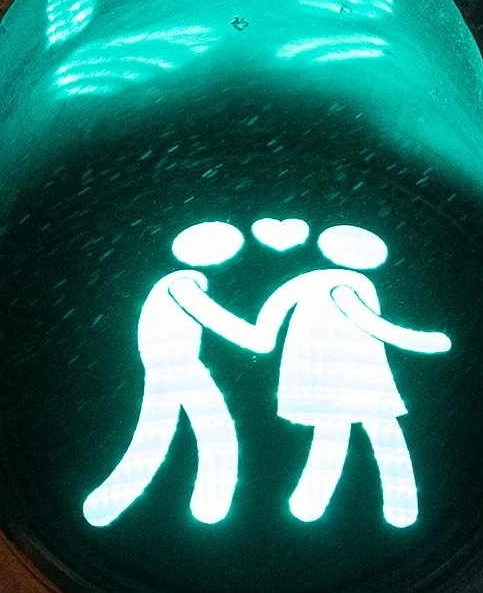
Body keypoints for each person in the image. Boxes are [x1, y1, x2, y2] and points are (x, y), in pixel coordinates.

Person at [247, 225, 450, 526]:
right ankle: (400, 505)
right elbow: (373, 324)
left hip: (319, 379)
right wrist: (425, 341)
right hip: (359, 378)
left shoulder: (307, 281)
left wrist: (255, 337)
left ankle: (308, 505)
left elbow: (268, 320)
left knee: (332, 436)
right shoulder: (345, 286)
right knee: (385, 437)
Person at [81, 220, 261, 528]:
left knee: (159, 436)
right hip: (176, 364)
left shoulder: (174, 284)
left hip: (169, 363)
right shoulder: (182, 284)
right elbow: (215, 318)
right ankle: (209, 505)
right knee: (211, 430)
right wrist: (255, 338)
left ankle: (109, 503)